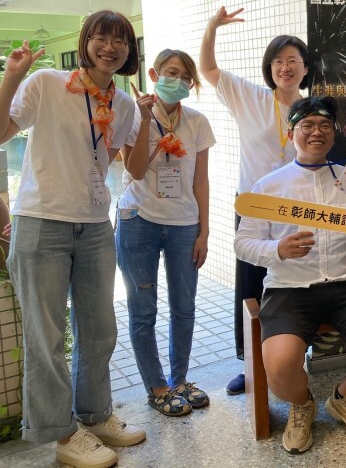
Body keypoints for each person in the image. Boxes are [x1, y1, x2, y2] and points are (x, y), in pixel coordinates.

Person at [0, 11, 147, 468]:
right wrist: (11, 78)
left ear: (129, 50)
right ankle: (60, 434)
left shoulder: (125, 104)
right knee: (47, 336)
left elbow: (110, 163)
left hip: (95, 224)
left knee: (100, 330)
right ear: (86, 41)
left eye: (119, 41)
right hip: (41, 221)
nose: (109, 47)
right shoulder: (46, 83)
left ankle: (95, 416)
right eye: (101, 38)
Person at [235, 97, 346, 454]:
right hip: (289, 288)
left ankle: (345, 397)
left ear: (334, 132)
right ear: (291, 132)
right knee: (280, 368)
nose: (316, 133)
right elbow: (242, 244)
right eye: (307, 126)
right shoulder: (267, 187)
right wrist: (277, 250)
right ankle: (302, 404)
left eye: (324, 126)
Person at [199, 6, 308, 395]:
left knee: (296, 283)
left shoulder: (311, 110)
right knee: (251, 284)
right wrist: (213, 27)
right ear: (270, 68)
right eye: (279, 61)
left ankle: (293, 358)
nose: (286, 68)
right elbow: (208, 69)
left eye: (293, 61)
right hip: (254, 206)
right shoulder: (250, 97)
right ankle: (249, 364)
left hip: (299, 209)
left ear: (305, 69)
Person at [116, 49, 216, 416]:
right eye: (171, 73)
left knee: (184, 307)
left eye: (186, 77)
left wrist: (205, 231)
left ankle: (180, 380)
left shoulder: (197, 122)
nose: (179, 81)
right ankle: (156, 387)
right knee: (143, 310)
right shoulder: (133, 114)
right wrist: (143, 121)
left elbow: (201, 180)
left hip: (184, 223)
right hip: (138, 219)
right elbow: (137, 170)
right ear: (155, 74)